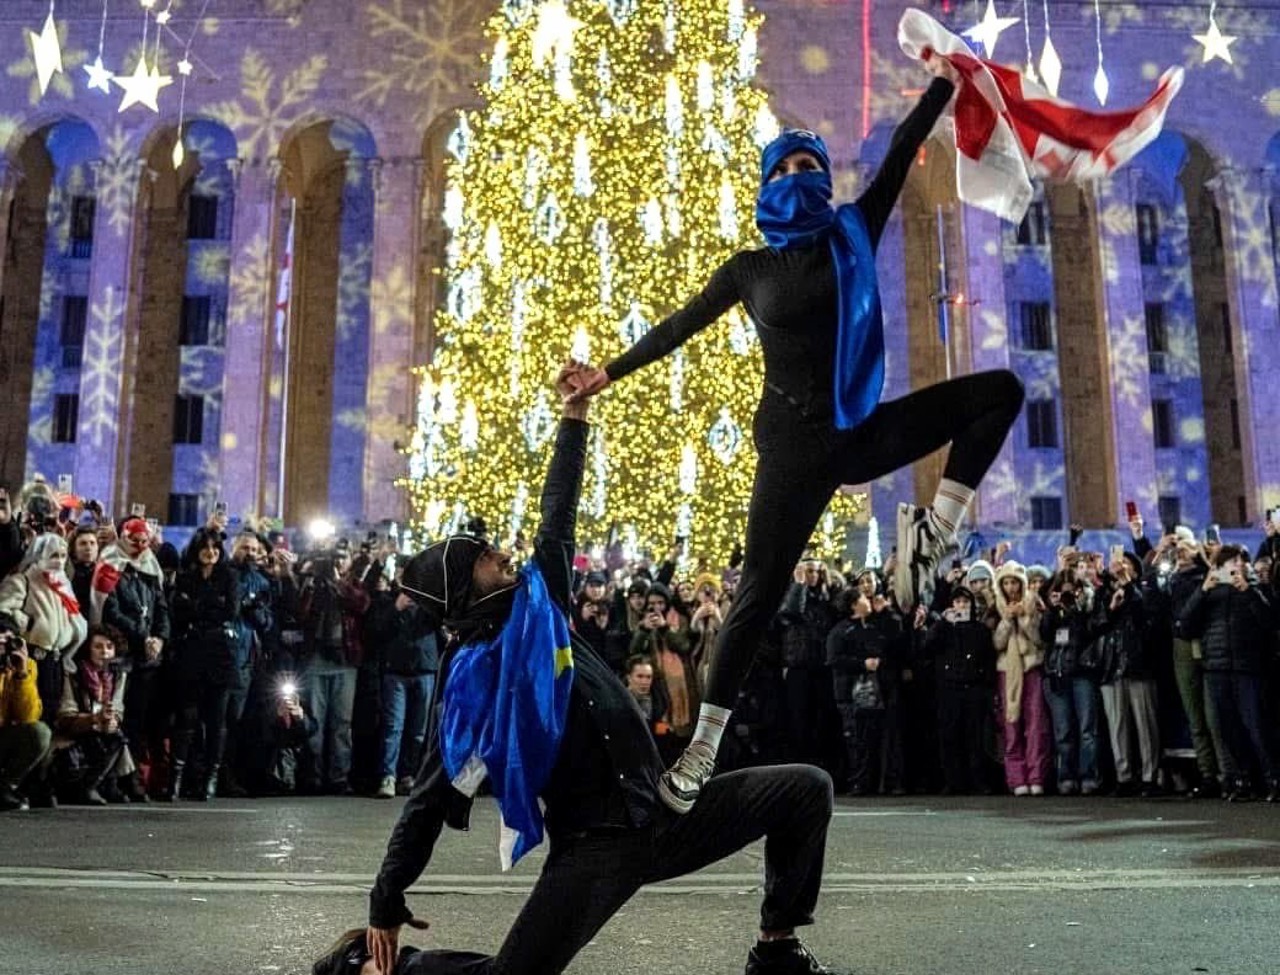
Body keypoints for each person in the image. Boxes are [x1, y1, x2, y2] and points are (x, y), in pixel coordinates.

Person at [565, 53, 1024, 812]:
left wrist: (944, 80)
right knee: (758, 593)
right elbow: (677, 328)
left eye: (814, 165)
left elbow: (904, 148)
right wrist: (606, 375)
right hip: (792, 451)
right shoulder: (749, 270)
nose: (803, 175)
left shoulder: (854, 229)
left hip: (860, 429)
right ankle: (702, 748)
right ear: (768, 185)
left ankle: (937, 526)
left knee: (1001, 391)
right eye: (789, 167)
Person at [350, 365, 841, 975]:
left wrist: (575, 418)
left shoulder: (543, 600)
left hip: (664, 810)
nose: (500, 553)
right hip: (596, 846)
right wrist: (385, 900)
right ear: (461, 591)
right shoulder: (473, 684)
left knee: (805, 789)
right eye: (480, 558)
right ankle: (384, 968)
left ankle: (776, 951)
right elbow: (427, 800)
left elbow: (558, 513)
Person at [1178, 545, 1278, 802]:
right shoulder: (1208, 593)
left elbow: (1270, 622)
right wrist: (1202, 592)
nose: (1234, 567)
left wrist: (1248, 590)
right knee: (1228, 727)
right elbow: (1185, 626)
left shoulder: (1255, 588)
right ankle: (1243, 779)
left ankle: (1272, 778)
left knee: (1256, 725)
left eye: (1238, 562)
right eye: (1227, 564)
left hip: (1248, 668)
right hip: (1216, 668)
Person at [90, 517, 169, 800]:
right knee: (116, 716)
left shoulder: (150, 567)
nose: (138, 547)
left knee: (139, 721)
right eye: (133, 540)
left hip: (147, 658)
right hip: (122, 654)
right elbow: (109, 608)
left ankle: (134, 778)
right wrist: (141, 637)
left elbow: (160, 606)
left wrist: (160, 637)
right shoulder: (111, 563)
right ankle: (112, 779)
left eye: (143, 541)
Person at [52, 625, 130, 805]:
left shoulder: (117, 675)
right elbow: (65, 715)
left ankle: (99, 784)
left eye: (109, 647)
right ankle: (88, 788)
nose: (104, 652)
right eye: (98, 647)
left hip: (101, 728)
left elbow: (118, 708)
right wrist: (93, 719)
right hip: (75, 730)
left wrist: (113, 720)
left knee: (117, 736)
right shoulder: (73, 673)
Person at [992, 561, 1049, 796]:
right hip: (1008, 671)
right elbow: (997, 643)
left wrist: (1024, 618)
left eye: (1014, 582)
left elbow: (1040, 639)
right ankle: (1016, 779)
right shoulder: (996, 608)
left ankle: (1037, 776)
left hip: (1031, 668)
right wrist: (1007, 620)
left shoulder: (1033, 604)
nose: (1011, 587)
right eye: (1006, 582)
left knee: (1036, 725)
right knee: (1011, 725)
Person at [0, 629, 52, 811]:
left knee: (39, 732)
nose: (4, 647)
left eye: (8, 641)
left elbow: (28, 716)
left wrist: (21, 675)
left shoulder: (25, 665)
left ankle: (5, 787)